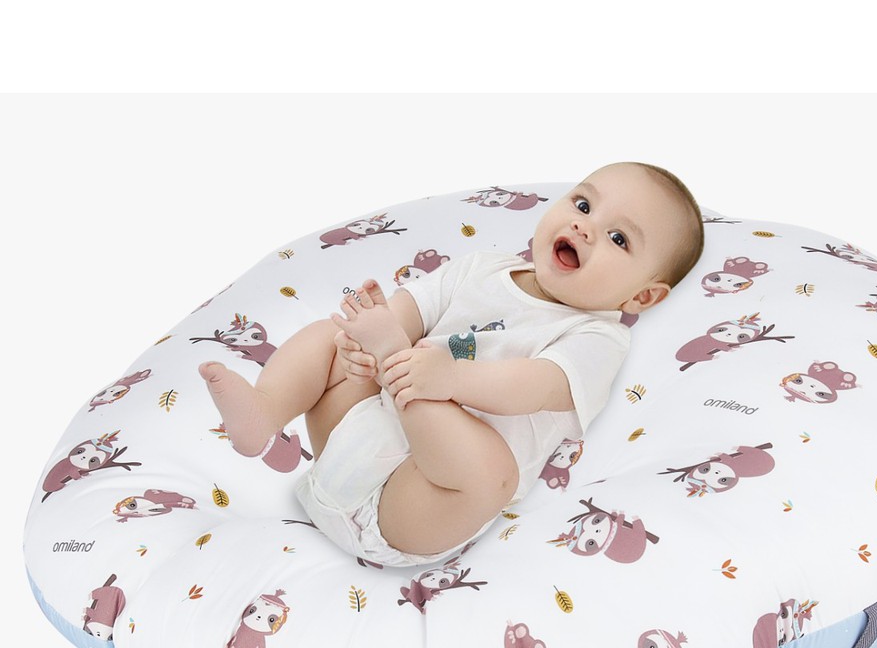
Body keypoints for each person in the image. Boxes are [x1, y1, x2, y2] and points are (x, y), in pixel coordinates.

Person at [198, 161, 704, 567]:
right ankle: (264, 412)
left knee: (492, 473)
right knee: (330, 338)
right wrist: (365, 340)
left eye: (618, 239)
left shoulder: (598, 337)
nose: (584, 227)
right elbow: (407, 314)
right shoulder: (482, 268)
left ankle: (394, 367)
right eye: (583, 204)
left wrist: (442, 375)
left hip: (418, 505)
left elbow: (532, 386)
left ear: (642, 296)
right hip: (345, 443)